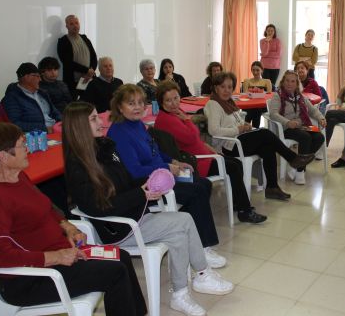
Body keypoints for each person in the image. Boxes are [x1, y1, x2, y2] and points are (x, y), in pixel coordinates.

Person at [62, 102, 234, 316]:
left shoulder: (104, 149)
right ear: (79, 127)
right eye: (94, 119)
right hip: (119, 228)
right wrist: (141, 194)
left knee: (179, 233)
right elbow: (99, 207)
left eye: (98, 117)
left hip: (133, 215)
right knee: (184, 220)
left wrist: (148, 184)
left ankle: (182, 292)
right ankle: (201, 275)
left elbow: (126, 181)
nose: (101, 122)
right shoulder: (78, 166)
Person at [0, 122, 146, 316]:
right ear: (3, 156)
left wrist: (68, 226)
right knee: (115, 272)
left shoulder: (18, 177)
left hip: (57, 258)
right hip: (29, 279)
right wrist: (57, 257)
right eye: (21, 145)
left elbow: (46, 207)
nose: (27, 148)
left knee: (122, 256)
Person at [106, 84, 226, 267]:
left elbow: (155, 151)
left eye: (140, 102)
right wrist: (167, 167)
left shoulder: (138, 124)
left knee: (203, 184)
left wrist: (174, 162)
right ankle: (202, 247)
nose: (137, 107)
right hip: (145, 184)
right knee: (196, 191)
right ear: (120, 107)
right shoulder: (119, 131)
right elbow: (134, 171)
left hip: (160, 173)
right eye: (131, 103)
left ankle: (194, 237)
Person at [153, 81, 267, 223]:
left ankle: (240, 204)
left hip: (203, 156)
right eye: (168, 100)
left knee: (236, 163)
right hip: (195, 162)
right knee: (233, 166)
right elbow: (192, 136)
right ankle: (245, 211)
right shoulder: (168, 119)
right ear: (161, 102)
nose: (174, 103)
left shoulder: (175, 113)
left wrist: (209, 148)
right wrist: (188, 121)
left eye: (176, 98)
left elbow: (195, 138)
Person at [204, 72, 315, 201]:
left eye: (229, 87)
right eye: (223, 87)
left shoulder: (228, 103)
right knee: (265, 133)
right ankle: (292, 158)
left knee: (267, 147)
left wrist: (244, 125)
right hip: (228, 146)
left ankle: (272, 188)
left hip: (237, 140)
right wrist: (238, 129)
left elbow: (233, 122)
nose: (226, 90)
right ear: (216, 88)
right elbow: (213, 131)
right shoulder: (213, 104)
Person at [268, 71, 326, 185]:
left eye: (293, 81)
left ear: (296, 84)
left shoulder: (300, 96)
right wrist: (287, 122)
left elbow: (312, 110)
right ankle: (300, 172)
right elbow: (273, 114)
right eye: (287, 81)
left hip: (302, 125)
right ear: (283, 82)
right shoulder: (277, 95)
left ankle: (296, 164)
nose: (289, 84)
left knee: (319, 137)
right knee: (306, 137)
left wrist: (321, 118)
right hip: (286, 128)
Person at [2, 63, 61, 133]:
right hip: (37, 134)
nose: (40, 79)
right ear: (26, 77)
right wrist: (44, 129)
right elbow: (15, 123)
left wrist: (63, 122)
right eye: (37, 76)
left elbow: (55, 112)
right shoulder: (12, 98)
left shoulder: (42, 93)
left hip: (55, 129)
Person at [57, 14, 97, 95]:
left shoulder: (85, 38)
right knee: (75, 105)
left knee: (89, 103)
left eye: (76, 23)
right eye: (71, 24)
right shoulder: (63, 41)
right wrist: (86, 71)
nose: (75, 26)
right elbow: (67, 62)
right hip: (73, 82)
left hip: (88, 79)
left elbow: (94, 57)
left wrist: (90, 72)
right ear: (67, 26)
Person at [242, 61, 272, 128]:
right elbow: (245, 94)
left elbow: (269, 95)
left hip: (262, 105)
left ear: (262, 70)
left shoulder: (267, 81)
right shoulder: (247, 81)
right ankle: (255, 129)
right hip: (249, 104)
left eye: (257, 70)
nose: (255, 72)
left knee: (255, 110)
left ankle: (247, 126)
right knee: (254, 110)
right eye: (253, 70)